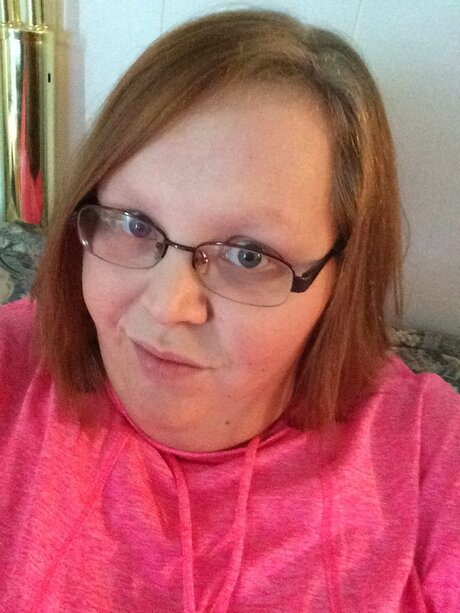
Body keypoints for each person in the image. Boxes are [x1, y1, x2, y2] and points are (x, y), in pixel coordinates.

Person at [0, 9, 458, 612]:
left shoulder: (429, 457)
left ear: (341, 279)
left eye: (248, 255)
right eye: (134, 224)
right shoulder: (14, 370)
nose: (167, 307)